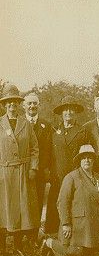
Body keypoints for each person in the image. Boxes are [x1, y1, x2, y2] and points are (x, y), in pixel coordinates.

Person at [40, 145, 99, 256]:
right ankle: (48, 242)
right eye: (83, 157)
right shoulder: (71, 177)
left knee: (95, 253)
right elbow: (62, 202)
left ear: (94, 160)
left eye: (90, 157)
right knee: (74, 252)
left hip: (93, 226)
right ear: (79, 160)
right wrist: (66, 224)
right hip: (77, 225)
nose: (87, 160)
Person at [0, 85, 40, 256]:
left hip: (24, 172)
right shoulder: (0, 123)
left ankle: (18, 244)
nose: (12, 106)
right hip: (5, 173)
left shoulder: (26, 123)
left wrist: (33, 167)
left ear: (19, 104)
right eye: (9, 102)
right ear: (5, 105)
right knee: (5, 209)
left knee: (22, 210)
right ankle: (2, 247)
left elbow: (34, 148)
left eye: (15, 102)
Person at [45, 96, 84, 234]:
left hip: (75, 176)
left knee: (74, 204)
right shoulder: (55, 131)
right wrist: (48, 172)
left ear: (75, 112)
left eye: (71, 110)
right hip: (57, 176)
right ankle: (51, 236)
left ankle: (74, 235)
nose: (68, 113)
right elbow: (48, 154)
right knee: (55, 204)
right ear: (62, 113)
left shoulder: (82, 132)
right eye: (65, 110)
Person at [23, 93, 51, 229]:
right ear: (24, 106)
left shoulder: (46, 125)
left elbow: (48, 149)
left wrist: (45, 168)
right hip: (23, 169)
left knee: (39, 200)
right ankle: (23, 233)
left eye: (35, 103)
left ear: (39, 105)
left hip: (40, 170)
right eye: (29, 103)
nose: (32, 106)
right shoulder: (19, 123)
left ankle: (35, 234)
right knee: (24, 200)